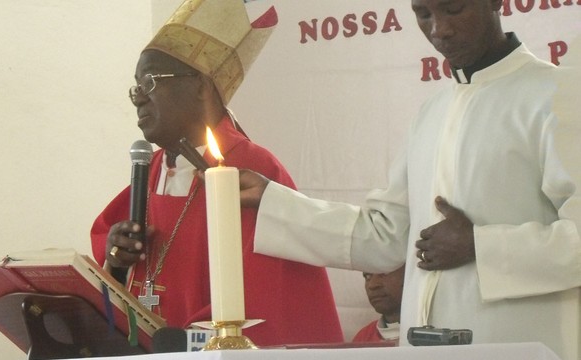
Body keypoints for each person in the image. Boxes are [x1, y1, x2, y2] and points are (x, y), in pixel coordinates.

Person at [235, 0, 581, 359]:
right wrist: (272, 200)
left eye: (454, 9)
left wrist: (479, 245)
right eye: (424, 14)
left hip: (524, 346)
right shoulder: (432, 112)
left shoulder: (558, 96)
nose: (438, 30)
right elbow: (385, 236)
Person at [91, 0, 343, 347]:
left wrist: (187, 343)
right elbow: (115, 275)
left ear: (200, 85)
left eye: (150, 82)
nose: (138, 98)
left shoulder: (250, 169)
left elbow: (268, 296)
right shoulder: (149, 173)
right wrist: (117, 262)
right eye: (136, 85)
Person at [352, 265, 404, 345]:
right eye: (368, 276)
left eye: (384, 273)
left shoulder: (428, 333)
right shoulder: (363, 338)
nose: (372, 285)